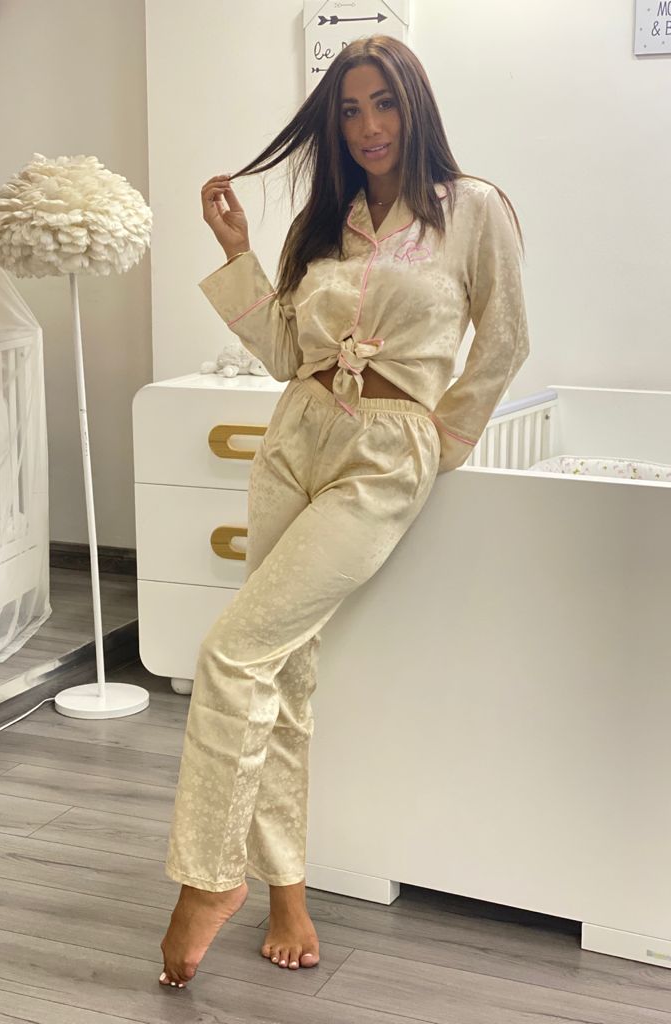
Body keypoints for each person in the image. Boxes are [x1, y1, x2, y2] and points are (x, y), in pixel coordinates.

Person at [159, 34, 530, 989]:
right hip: (296, 436)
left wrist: (441, 440)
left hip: (383, 452)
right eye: (349, 111)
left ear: (415, 106)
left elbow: (505, 339)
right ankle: (284, 887)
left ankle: (210, 877)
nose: (366, 127)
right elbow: (286, 351)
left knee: (231, 652)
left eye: (383, 105)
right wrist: (238, 255)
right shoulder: (325, 223)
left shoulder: (473, 209)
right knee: (280, 664)